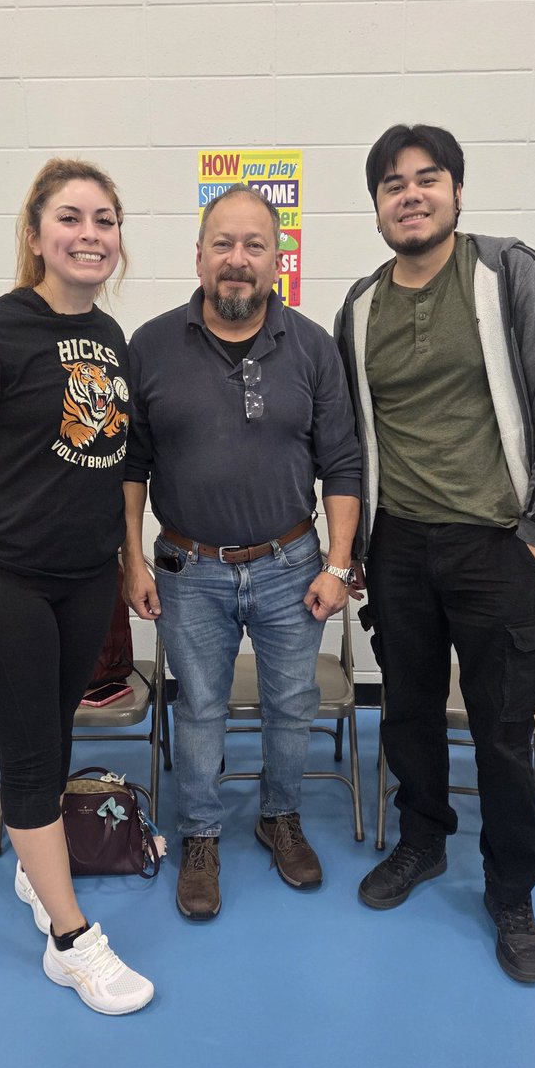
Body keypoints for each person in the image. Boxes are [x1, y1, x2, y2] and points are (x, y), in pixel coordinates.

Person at [335, 124, 535, 983]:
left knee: (503, 732)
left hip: (497, 546)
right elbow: (351, 439)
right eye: (392, 185)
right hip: (400, 548)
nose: (410, 195)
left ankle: (512, 892)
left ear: (455, 191)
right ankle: (421, 842)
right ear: (375, 203)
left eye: (427, 180)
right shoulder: (359, 307)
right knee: (406, 712)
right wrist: (359, 547)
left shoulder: (510, 272)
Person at [0, 158, 153, 1015]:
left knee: (52, 739)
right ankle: (71, 941)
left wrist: (128, 561)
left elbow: (117, 461)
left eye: (105, 219)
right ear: (35, 234)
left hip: (83, 579)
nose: (90, 233)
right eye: (70, 217)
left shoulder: (113, 339)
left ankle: (35, 866)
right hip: (4, 578)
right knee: (27, 756)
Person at [122, 184, 361, 920]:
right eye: (222, 244)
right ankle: (199, 834)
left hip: (293, 565)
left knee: (293, 703)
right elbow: (130, 463)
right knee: (198, 709)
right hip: (188, 570)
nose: (237, 260)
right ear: (198, 256)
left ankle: (279, 816)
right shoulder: (151, 346)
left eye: (254, 245)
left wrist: (338, 563)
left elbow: (344, 463)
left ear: (277, 260)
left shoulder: (313, 347)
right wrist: (130, 559)